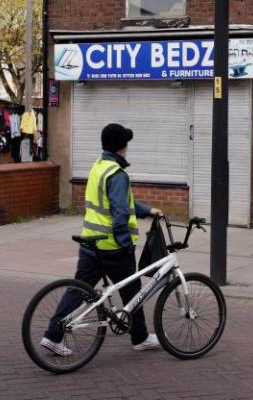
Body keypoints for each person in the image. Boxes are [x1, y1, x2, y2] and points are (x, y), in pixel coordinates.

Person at [41, 123, 163, 356]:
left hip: (91, 242)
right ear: (122, 147)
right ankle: (140, 337)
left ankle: (52, 335)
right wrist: (126, 244)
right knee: (132, 291)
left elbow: (121, 205)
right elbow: (119, 214)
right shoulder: (117, 174)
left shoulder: (99, 167)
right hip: (112, 247)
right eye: (126, 143)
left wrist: (147, 210)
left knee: (77, 289)